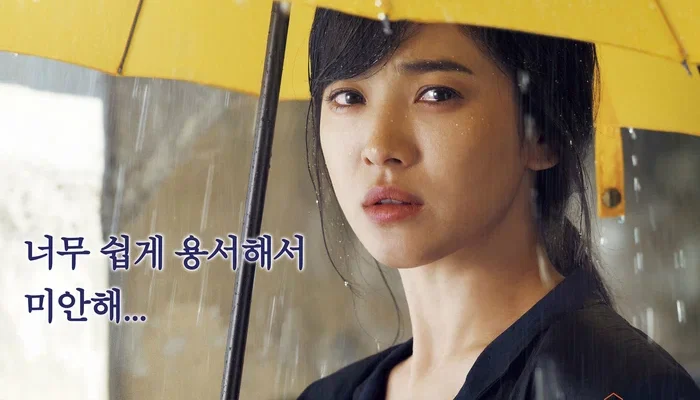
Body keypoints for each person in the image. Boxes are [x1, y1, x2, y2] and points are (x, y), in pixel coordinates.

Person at [297, 8, 700, 400]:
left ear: (541, 133)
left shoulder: (615, 383)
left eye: (437, 94)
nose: (379, 147)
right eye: (348, 97)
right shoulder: (328, 395)